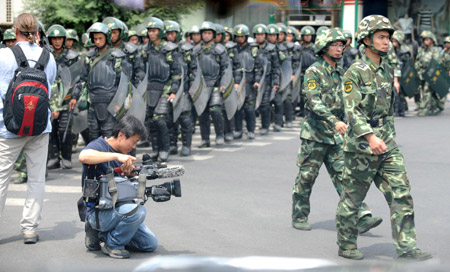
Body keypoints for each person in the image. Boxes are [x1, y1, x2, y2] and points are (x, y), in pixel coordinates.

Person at [335, 15, 432, 261]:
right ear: (366, 40)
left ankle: (407, 246)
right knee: (352, 198)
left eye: (388, 37)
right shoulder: (354, 72)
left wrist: (386, 138)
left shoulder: (387, 70)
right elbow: (353, 112)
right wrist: (369, 138)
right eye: (381, 37)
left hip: (387, 143)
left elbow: (387, 109)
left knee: (401, 192)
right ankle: (346, 244)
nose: (386, 42)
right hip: (361, 147)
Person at [292, 28, 382, 233]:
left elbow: (348, 101)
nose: (339, 48)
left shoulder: (342, 73)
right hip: (315, 134)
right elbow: (313, 101)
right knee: (306, 177)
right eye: (335, 45)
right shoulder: (313, 71)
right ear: (324, 47)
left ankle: (359, 216)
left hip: (336, 136)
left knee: (346, 177)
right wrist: (334, 121)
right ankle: (299, 214)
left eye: (341, 45)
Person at [0, 13, 57, 244]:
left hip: (8, 127)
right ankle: (30, 229)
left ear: (15, 30)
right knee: (36, 179)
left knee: (1, 178)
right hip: (40, 127)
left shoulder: (4, 55)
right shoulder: (49, 57)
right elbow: (49, 90)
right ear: (36, 31)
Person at [79, 115, 158, 259]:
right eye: (133, 142)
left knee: (150, 244)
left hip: (119, 208)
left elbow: (126, 186)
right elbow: (83, 156)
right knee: (138, 212)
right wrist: (116, 157)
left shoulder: (126, 153)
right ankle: (113, 244)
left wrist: (128, 174)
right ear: (121, 135)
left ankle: (101, 234)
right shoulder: (99, 145)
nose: (134, 147)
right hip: (98, 211)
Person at [253, 23, 280, 135]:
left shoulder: (271, 49)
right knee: (251, 105)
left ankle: (265, 126)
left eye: (262, 34)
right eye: (258, 34)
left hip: (267, 80)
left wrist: (275, 82)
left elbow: (275, 67)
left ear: (265, 36)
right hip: (252, 80)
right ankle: (251, 126)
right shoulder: (251, 48)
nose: (260, 36)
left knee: (265, 104)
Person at [414, 30, 441, 116]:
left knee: (427, 91)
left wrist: (428, 69)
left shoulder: (435, 50)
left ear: (432, 40)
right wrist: (417, 69)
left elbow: (435, 62)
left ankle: (424, 109)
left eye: (427, 39)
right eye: (424, 39)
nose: (425, 41)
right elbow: (417, 61)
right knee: (428, 91)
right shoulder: (421, 50)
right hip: (422, 73)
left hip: (431, 74)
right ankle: (435, 107)